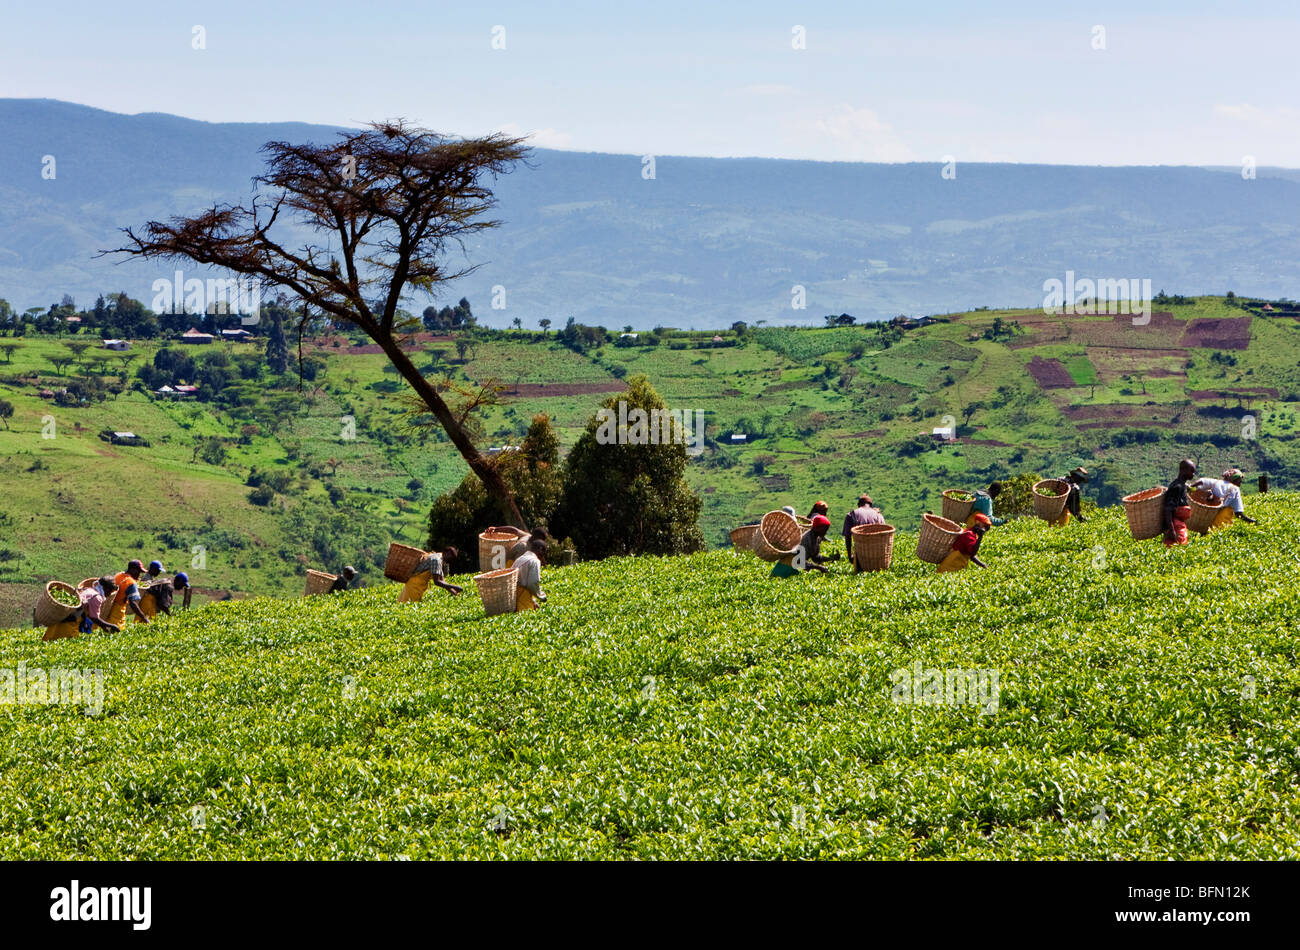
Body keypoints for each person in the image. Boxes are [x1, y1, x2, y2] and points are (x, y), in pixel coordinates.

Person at [771, 515, 837, 577]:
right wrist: (819, 567)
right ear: (817, 528)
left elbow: (816, 558)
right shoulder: (807, 538)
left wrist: (831, 558)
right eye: (824, 529)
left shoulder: (817, 538)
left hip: (795, 568)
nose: (825, 532)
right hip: (786, 567)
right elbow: (800, 562)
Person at [1191, 468, 1257, 528]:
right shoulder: (1235, 489)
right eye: (1240, 480)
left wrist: (1190, 487)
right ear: (1235, 479)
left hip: (1207, 522)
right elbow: (1238, 513)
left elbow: (1201, 481)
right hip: (1222, 524)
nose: (1240, 483)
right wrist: (1251, 521)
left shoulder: (1216, 482)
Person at [398, 547, 463, 602]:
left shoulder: (440, 559)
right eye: (450, 557)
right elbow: (437, 582)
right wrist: (454, 586)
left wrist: (455, 593)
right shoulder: (436, 560)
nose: (450, 560)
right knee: (407, 604)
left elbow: (442, 580)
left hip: (420, 585)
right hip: (414, 585)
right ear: (445, 553)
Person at [842, 494, 885, 566]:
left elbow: (848, 536)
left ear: (859, 505)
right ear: (870, 505)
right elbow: (884, 533)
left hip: (860, 554)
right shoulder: (878, 515)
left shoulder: (852, 514)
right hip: (876, 554)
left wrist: (850, 556)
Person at [104, 560, 150, 627]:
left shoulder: (118, 575)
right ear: (133, 570)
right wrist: (144, 618)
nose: (139, 575)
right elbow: (133, 603)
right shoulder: (131, 582)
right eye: (139, 572)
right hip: (118, 611)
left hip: (109, 608)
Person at [1163, 458, 1196, 547]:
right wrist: (1172, 530)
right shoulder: (1177, 487)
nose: (1193, 474)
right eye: (1192, 471)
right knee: (1175, 548)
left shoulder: (1182, 485)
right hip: (1175, 524)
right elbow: (1168, 509)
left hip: (1178, 523)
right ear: (1183, 470)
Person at [513, 537, 548, 611]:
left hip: (513, 597)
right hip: (523, 598)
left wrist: (533, 601)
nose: (543, 557)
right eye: (543, 553)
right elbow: (532, 583)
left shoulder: (519, 559)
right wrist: (541, 596)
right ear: (540, 549)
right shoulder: (534, 561)